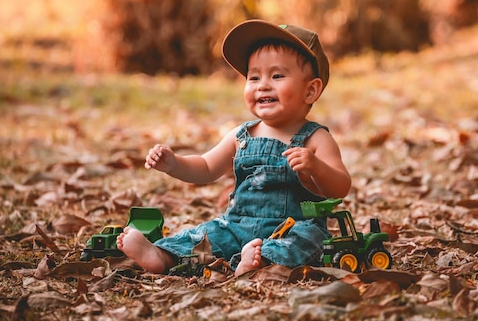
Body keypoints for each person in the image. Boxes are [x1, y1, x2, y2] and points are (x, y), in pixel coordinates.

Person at [117, 19, 351, 276]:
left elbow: (341, 186)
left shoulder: (315, 138)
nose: (262, 84)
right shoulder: (242, 136)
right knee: (207, 235)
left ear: (310, 90)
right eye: (253, 77)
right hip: (237, 225)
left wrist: (316, 167)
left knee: (308, 241)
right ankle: (162, 255)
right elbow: (206, 167)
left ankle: (261, 262)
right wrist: (174, 164)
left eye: (276, 75)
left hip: (292, 227)